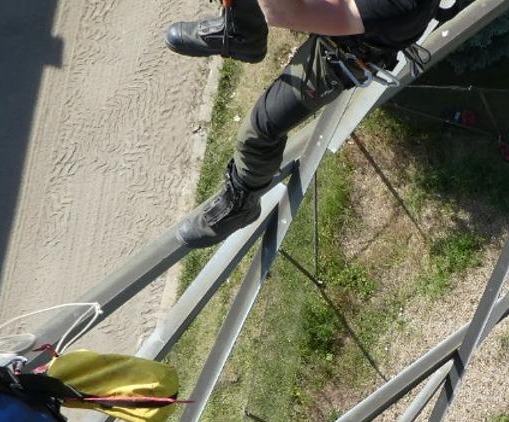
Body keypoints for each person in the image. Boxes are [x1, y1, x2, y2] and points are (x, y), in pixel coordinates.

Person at [163, 0, 443, 247]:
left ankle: (242, 202)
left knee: (262, 128)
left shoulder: (400, 5)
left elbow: (289, 13)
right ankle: (241, 32)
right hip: (349, 17)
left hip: (345, 50)